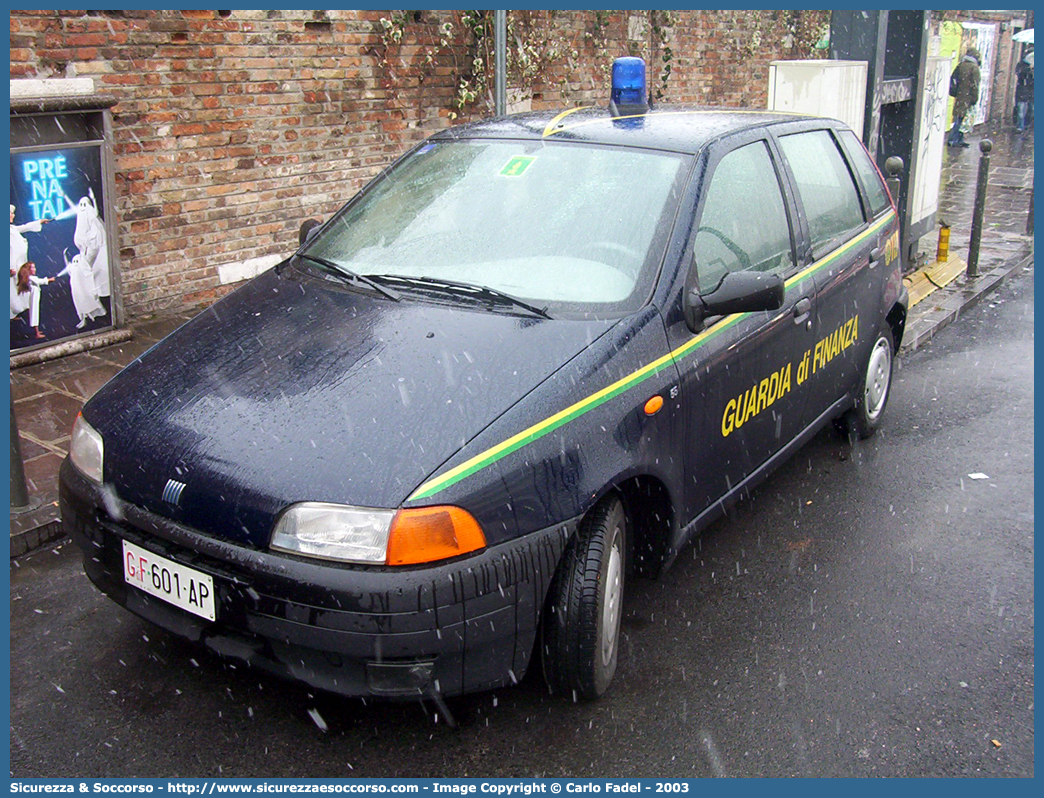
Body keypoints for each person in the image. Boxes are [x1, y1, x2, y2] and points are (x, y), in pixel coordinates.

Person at [56, 248, 105, 329]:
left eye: (77, 261)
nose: (75, 263)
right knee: (79, 306)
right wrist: (64, 255)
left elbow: (86, 265)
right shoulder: (72, 267)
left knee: (88, 303)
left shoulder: (82, 268)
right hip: (76, 291)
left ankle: (93, 317)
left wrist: (83, 251)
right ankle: (83, 320)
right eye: (74, 261)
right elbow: (68, 265)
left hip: (83, 291)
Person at [947, 47, 982, 148]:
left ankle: (958, 139)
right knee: (962, 120)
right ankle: (953, 139)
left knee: (960, 118)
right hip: (968, 97)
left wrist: (956, 92)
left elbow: (954, 79)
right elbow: (975, 85)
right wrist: (974, 99)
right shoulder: (974, 68)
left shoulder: (961, 65)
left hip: (960, 95)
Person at [10, 261, 54, 339]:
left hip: (35, 297)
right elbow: (40, 281)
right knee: (35, 315)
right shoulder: (31, 278)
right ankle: (36, 333)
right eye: (33, 267)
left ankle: (36, 331)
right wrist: (49, 279)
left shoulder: (29, 278)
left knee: (34, 314)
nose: (35, 269)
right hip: (34, 298)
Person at [1015, 52, 1033, 132]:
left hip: (1031, 93)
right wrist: (1028, 70)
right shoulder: (1023, 65)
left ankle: (1027, 125)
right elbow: (1020, 75)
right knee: (1021, 111)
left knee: (1031, 110)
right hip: (1023, 92)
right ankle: (1020, 126)